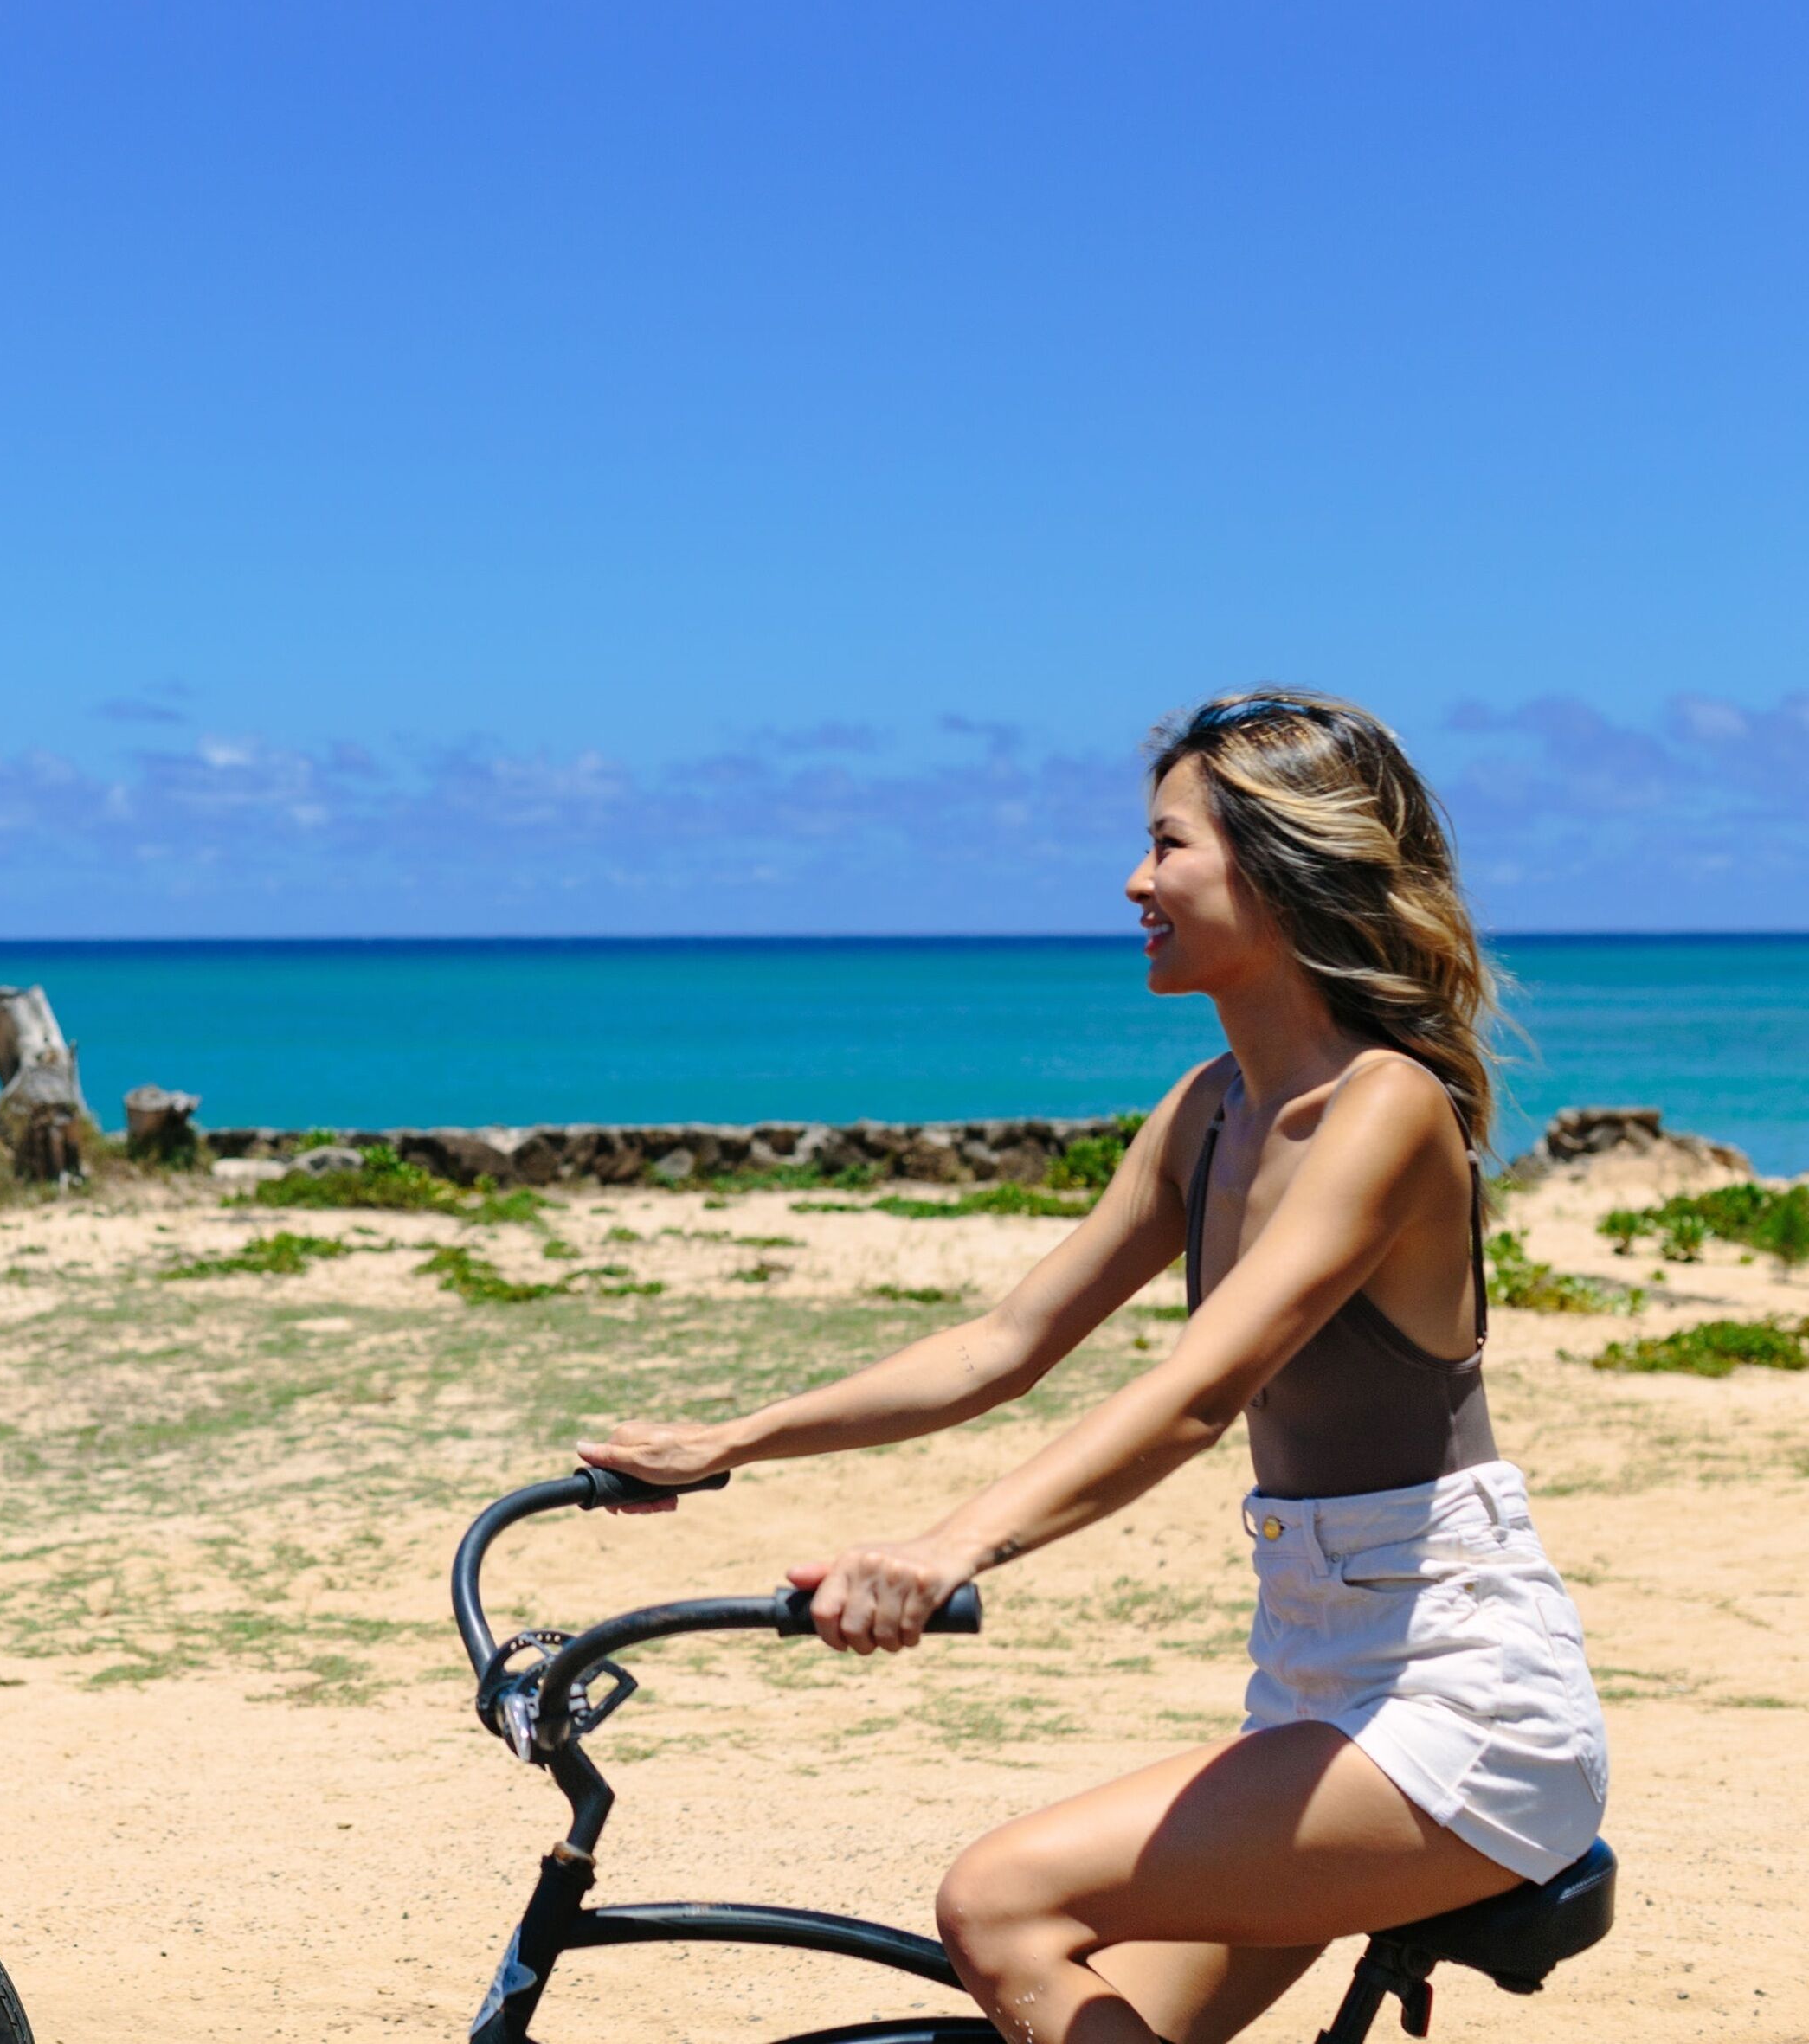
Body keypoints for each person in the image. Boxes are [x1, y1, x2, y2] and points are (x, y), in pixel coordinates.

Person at [580, 689, 1608, 2044]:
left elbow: (1196, 1396)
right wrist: (729, 1441)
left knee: (1000, 1907)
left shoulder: (1388, 1111)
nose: (1136, 880)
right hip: (1311, 1673)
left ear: (1284, 867)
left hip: (1459, 1701)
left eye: (1170, 847)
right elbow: (1000, 1347)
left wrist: (954, 1547)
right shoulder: (1208, 1112)